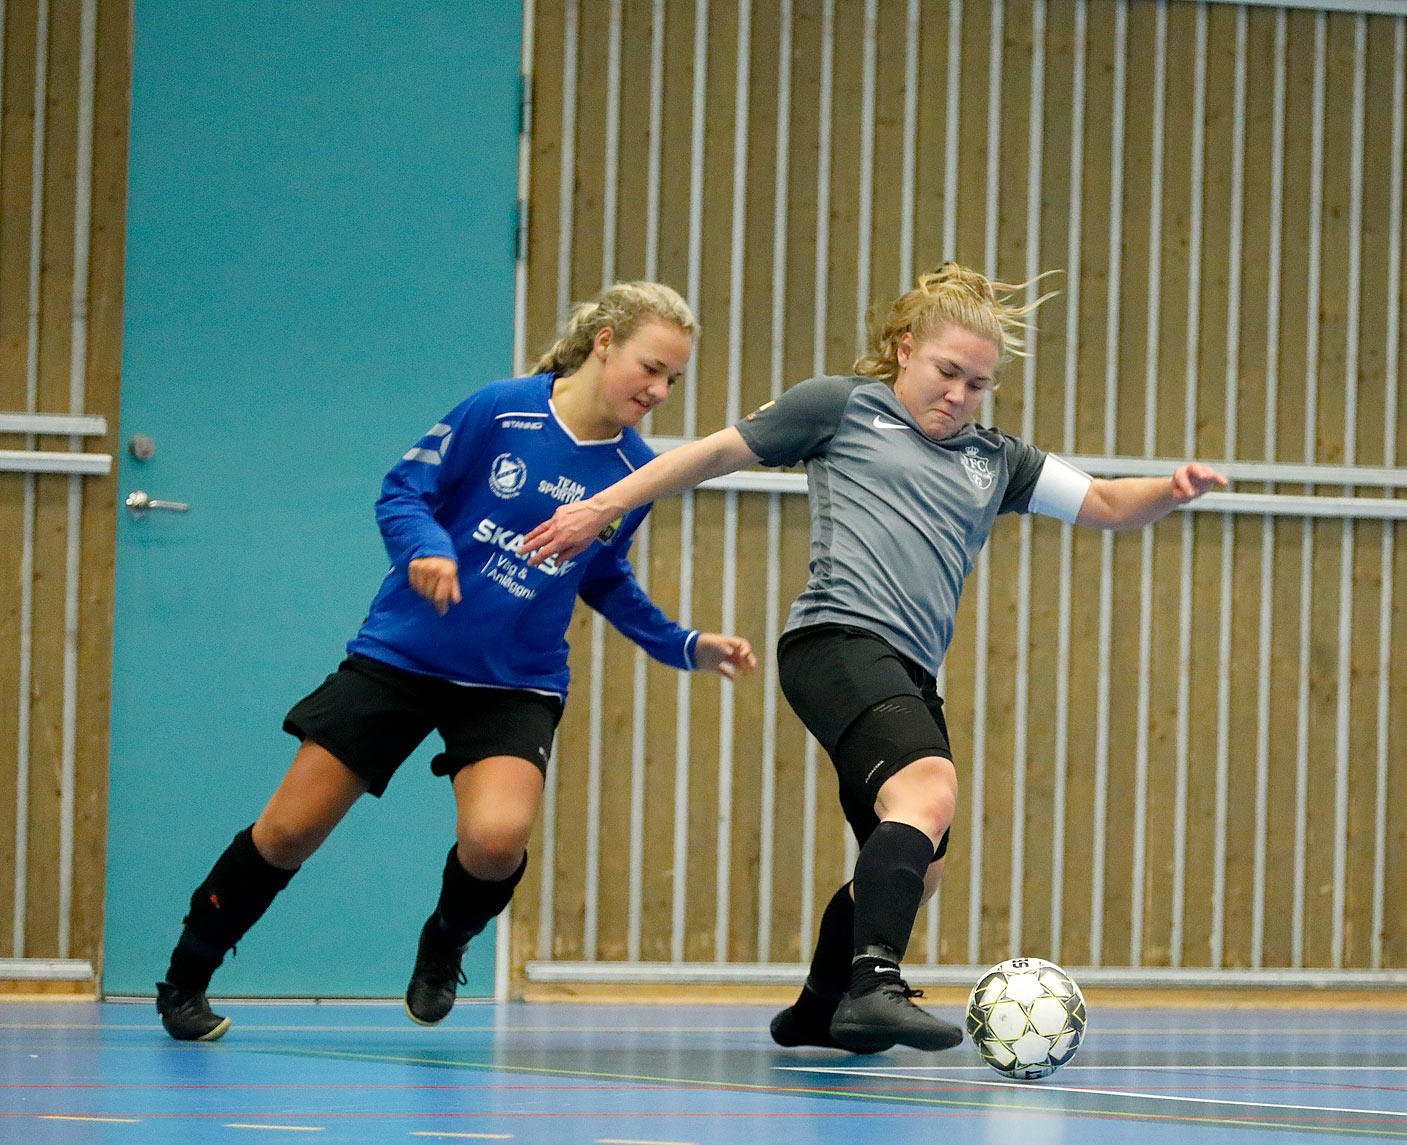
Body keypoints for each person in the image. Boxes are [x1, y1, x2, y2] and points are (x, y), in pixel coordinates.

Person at [521, 263, 1226, 1052]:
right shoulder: (841, 407)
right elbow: (713, 455)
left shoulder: (996, 459)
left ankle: (818, 1010)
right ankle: (876, 986)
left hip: (910, 671)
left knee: (915, 862)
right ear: (903, 349)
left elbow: (1100, 503)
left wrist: (1170, 486)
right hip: (836, 640)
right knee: (929, 790)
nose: (959, 396)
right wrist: (603, 506)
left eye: (979, 385)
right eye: (947, 372)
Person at [153, 281, 757, 1042]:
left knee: (497, 842)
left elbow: (604, 579)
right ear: (604, 343)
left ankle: (445, 942)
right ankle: (185, 979)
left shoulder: (634, 474)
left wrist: (686, 644)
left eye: (674, 379)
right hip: (403, 657)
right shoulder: (499, 410)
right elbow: (404, 493)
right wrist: (430, 550)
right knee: (286, 834)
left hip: (515, 680)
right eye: (651, 367)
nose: (660, 390)